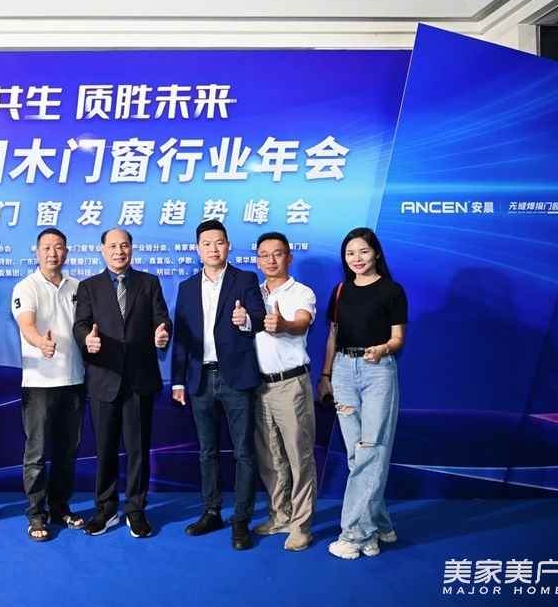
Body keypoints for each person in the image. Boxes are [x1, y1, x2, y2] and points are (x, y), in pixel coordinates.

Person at [171, 220, 266, 550]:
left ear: (228, 246)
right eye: (207, 243)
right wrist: (177, 381)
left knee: (243, 451)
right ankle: (211, 511)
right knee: (207, 451)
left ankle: (241, 518)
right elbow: (181, 338)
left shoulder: (245, 279)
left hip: (236, 377)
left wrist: (246, 320)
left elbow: (260, 316)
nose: (213, 248)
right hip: (199, 379)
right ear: (198, 249)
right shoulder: (186, 287)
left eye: (219, 242)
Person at [73, 228, 171, 538]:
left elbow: (161, 318)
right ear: (102, 250)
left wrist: (162, 332)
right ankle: (105, 508)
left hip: (140, 380)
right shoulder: (89, 286)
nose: (119, 251)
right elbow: (80, 324)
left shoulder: (149, 283)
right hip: (104, 378)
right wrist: (86, 340)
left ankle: (136, 508)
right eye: (113, 246)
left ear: (131, 249)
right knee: (105, 448)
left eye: (124, 245)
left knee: (138, 448)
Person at [317, 227, 407, 560]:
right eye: (350, 253)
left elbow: (398, 338)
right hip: (343, 371)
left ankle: (355, 535)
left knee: (371, 449)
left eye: (363, 251)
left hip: (377, 371)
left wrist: (382, 348)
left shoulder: (392, 290)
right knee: (358, 456)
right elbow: (332, 336)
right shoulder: (340, 291)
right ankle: (378, 526)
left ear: (376, 253)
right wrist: (325, 375)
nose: (357, 258)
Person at [11, 228, 86, 541]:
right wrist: (40, 342)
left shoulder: (78, 287)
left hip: (74, 380)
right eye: (46, 248)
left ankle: (60, 507)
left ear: (66, 251)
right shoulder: (26, 287)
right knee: (37, 452)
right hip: (40, 383)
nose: (53, 253)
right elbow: (26, 323)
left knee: (68, 451)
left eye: (58, 247)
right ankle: (36, 513)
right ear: (37, 251)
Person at [251, 231, 318, 552]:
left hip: (291, 385)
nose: (271, 260)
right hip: (258, 386)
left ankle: (301, 526)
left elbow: (302, 322)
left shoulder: (302, 292)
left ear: (289, 257)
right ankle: (280, 516)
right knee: (270, 457)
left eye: (277, 254)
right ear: (257, 260)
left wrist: (284, 324)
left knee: (298, 457)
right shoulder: (251, 293)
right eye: (264, 255)